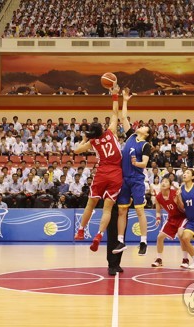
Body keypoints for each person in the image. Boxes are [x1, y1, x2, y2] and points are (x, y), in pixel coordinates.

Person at [73, 85, 123, 252]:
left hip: (101, 172)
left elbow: (76, 151)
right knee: (107, 208)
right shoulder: (111, 131)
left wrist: (84, 138)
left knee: (90, 204)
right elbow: (115, 113)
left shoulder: (92, 142)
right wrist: (115, 95)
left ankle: (81, 230)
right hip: (116, 172)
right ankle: (99, 235)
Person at [113, 88, 152, 256]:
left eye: (144, 127)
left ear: (147, 134)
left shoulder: (145, 145)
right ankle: (121, 241)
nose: (140, 126)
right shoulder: (130, 136)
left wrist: (137, 163)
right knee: (122, 210)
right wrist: (125, 100)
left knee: (139, 210)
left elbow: (145, 163)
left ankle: (143, 241)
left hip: (136, 179)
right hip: (124, 178)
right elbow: (123, 117)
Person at [151, 178, 189, 268]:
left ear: (169, 185)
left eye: (166, 182)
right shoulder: (158, 197)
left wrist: (178, 198)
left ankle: (185, 259)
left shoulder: (174, 193)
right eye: (162, 181)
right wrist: (158, 219)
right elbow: (158, 211)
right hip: (171, 219)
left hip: (182, 217)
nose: (163, 183)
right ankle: (159, 259)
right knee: (159, 237)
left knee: (181, 235)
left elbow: (183, 207)